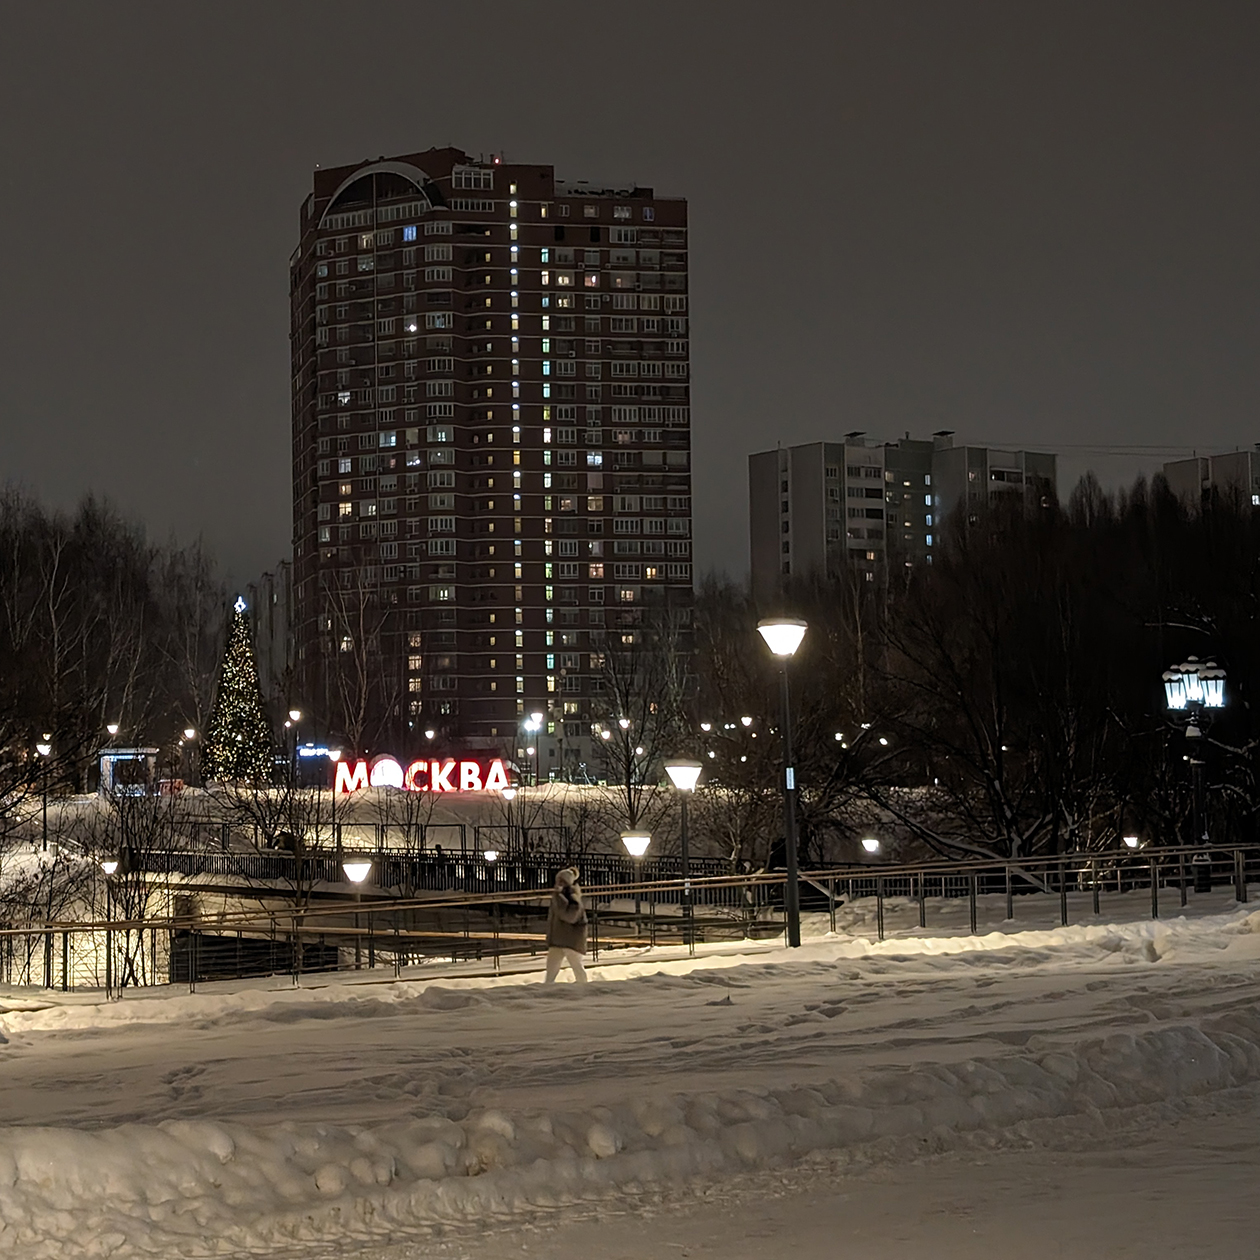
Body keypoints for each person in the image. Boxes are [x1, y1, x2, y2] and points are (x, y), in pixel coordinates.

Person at [544, 867, 589, 983]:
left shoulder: (572, 897)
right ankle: (547, 986)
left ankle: (584, 985)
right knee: (551, 967)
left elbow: (569, 916)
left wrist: (558, 897)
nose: (558, 883)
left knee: (576, 965)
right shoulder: (559, 896)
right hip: (558, 938)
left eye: (562, 881)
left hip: (571, 939)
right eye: (558, 880)